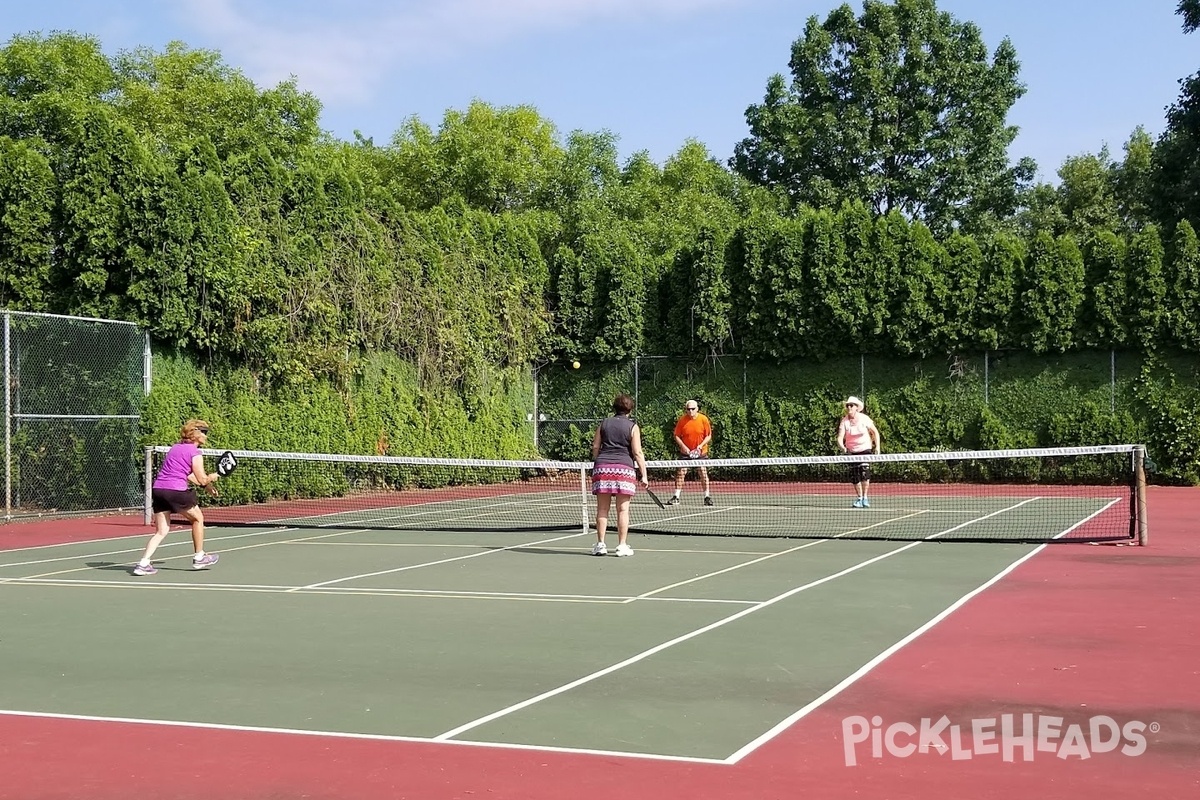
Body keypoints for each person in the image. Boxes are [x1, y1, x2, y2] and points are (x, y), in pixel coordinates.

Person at [133, 419, 221, 575]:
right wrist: (213, 476)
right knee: (197, 519)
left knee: (162, 530)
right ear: (196, 434)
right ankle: (199, 556)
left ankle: (143, 564)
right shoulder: (195, 453)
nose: (206, 436)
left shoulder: (175, 448)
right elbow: (201, 478)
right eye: (204, 432)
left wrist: (207, 487)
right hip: (176, 491)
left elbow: (187, 474)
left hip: (159, 490)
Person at [590, 394, 649, 557]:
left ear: (614, 408)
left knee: (602, 509)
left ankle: (600, 545)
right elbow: (637, 452)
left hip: (602, 468)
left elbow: (595, 447)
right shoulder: (633, 427)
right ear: (630, 409)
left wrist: (598, 461)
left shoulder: (604, 423)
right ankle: (622, 546)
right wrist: (644, 474)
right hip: (624, 468)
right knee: (623, 510)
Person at [836, 396, 881, 508]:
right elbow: (840, 437)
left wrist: (877, 447)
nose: (849, 407)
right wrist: (843, 447)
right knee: (855, 476)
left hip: (865, 448)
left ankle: (865, 498)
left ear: (856, 407)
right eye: (847, 405)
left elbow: (875, 432)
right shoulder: (844, 421)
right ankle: (859, 498)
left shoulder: (864, 418)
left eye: (851, 405)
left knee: (864, 472)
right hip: (852, 451)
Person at [669, 399, 713, 506]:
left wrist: (701, 445)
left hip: (700, 452)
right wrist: (683, 447)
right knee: (681, 473)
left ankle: (707, 497)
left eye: (693, 409)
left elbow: (708, 435)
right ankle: (676, 496)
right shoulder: (682, 420)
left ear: (697, 409)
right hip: (686, 453)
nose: (690, 411)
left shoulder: (703, 419)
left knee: (703, 472)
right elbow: (676, 435)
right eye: (688, 409)